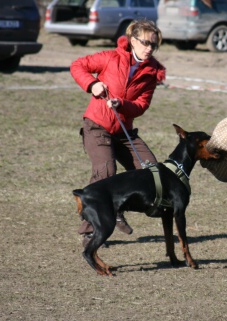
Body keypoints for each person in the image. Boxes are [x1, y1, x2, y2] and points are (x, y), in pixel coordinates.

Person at [70, 19, 166, 246]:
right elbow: (78, 66)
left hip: (124, 131)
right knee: (106, 172)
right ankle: (89, 230)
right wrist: (92, 84)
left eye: (154, 44)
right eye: (145, 43)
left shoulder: (152, 73)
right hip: (97, 125)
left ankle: (117, 207)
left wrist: (121, 103)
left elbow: (142, 105)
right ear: (133, 41)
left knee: (151, 171)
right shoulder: (111, 58)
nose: (149, 48)